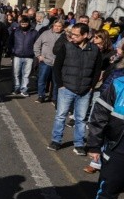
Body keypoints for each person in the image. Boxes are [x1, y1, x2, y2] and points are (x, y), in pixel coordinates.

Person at [83, 55, 124, 199]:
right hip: (118, 148)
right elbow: (99, 116)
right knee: (109, 188)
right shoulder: (118, 85)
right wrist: (94, 145)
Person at [48, 23, 102, 154]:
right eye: (72, 34)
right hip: (66, 88)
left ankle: (79, 144)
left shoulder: (95, 50)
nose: (72, 37)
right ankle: (56, 141)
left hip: (85, 90)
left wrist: (91, 86)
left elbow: (97, 70)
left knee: (81, 118)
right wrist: (61, 85)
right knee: (60, 116)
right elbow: (57, 67)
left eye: (76, 35)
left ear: (85, 35)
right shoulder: (66, 47)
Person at [33, 19, 64, 103]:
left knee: (55, 82)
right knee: (42, 79)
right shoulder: (45, 33)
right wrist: (38, 55)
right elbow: (37, 44)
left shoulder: (64, 36)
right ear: (53, 26)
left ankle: (54, 98)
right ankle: (41, 96)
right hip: (45, 61)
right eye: (55, 26)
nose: (57, 28)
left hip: (58, 63)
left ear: (62, 27)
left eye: (59, 26)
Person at [8, 16, 39, 97]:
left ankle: (24, 89)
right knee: (16, 73)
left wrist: (35, 54)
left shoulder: (34, 32)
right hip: (17, 55)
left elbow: (37, 44)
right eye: (22, 24)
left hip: (29, 56)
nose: (24, 25)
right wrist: (13, 51)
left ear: (29, 23)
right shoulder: (15, 32)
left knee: (26, 74)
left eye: (25, 24)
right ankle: (16, 88)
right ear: (20, 23)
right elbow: (10, 42)